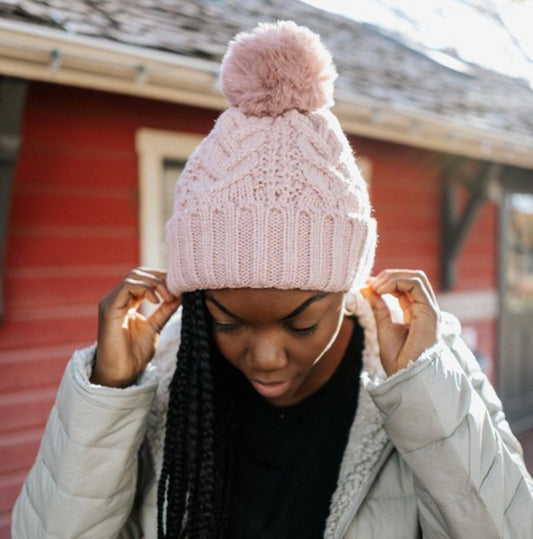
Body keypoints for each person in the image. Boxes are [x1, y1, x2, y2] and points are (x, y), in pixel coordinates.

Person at [12, 20, 533, 539]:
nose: (263, 357)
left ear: (346, 290)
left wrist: (425, 395)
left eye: (300, 324)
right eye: (227, 322)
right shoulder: (167, 379)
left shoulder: (427, 377)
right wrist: (109, 390)